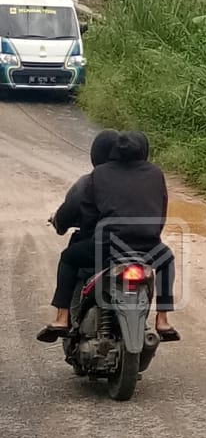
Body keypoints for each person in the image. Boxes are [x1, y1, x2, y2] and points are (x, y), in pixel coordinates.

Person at [38, 131, 178, 343]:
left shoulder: (100, 174)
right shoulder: (156, 173)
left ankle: (62, 317)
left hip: (107, 246)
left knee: (68, 257)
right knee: (167, 259)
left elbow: (88, 213)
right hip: (147, 246)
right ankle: (163, 319)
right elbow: (161, 213)